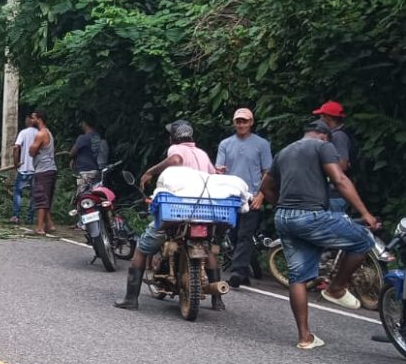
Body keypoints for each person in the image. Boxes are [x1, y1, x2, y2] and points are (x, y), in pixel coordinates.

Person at [259, 120, 380, 349]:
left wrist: (284, 207)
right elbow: (339, 179)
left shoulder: (284, 151)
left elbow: (265, 187)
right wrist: (366, 214)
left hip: (284, 218)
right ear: (324, 136)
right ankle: (335, 288)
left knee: (298, 276)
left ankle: (305, 337)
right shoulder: (323, 145)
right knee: (363, 239)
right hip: (310, 215)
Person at [115, 120, 226, 311]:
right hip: (204, 214)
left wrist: (150, 171)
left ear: (173, 138)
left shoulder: (176, 149)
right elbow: (214, 175)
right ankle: (218, 301)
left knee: (142, 248)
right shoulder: (202, 154)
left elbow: (175, 161)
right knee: (206, 250)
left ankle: (130, 299)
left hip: (178, 212)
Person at [215, 108, 272, 288]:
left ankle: (238, 272)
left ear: (251, 122)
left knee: (245, 235)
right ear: (234, 122)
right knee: (232, 234)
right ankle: (247, 269)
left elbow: (267, 172)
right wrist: (218, 172)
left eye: (245, 121)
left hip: (251, 195)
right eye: (238, 121)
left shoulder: (261, 144)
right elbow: (219, 168)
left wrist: (261, 195)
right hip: (230, 196)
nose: (241, 124)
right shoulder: (225, 144)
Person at [313, 101, 352, 213]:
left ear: (328, 118)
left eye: (322, 116)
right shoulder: (332, 135)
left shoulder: (338, 136)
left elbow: (342, 165)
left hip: (336, 194)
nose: (320, 119)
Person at [28, 110, 57, 235]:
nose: (31, 120)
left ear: (39, 119)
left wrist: (31, 148)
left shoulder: (41, 134)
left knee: (41, 198)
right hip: (49, 168)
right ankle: (49, 225)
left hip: (43, 169)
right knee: (45, 197)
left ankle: (40, 228)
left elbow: (32, 151)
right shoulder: (48, 132)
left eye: (33, 118)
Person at [11, 114, 37, 225]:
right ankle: (30, 218)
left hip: (24, 168)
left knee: (18, 192)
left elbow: (16, 147)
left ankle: (16, 216)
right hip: (36, 169)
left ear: (29, 120)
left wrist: (16, 163)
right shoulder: (39, 133)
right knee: (34, 194)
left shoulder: (23, 133)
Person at [70, 119, 103, 196]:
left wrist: (72, 158)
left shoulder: (82, 138)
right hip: (97, 170)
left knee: (82, 195)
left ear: (85, 124)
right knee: (95, 194)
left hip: (84, 171)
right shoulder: (98, 137)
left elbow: (72, 153)